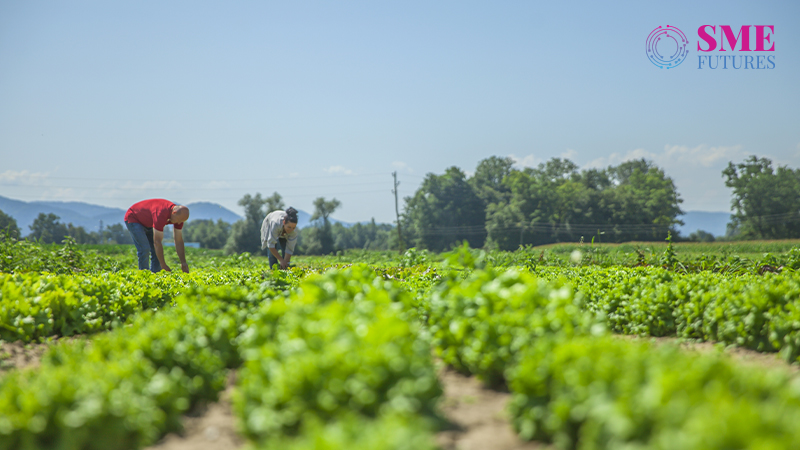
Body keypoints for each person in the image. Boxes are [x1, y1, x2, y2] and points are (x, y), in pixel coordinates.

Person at [124, 199, 190, 273]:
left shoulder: (179, 218)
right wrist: (163, 265)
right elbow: (157, 242)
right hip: (134, 218)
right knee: (144, 249)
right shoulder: (161, 213)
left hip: (149, 222)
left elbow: (178, 241)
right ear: (174, 213)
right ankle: (144, 275)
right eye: (178, 220)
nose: (179, 223)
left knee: (156, 251)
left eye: (181, 221)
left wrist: (183, 262)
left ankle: (155, 275)